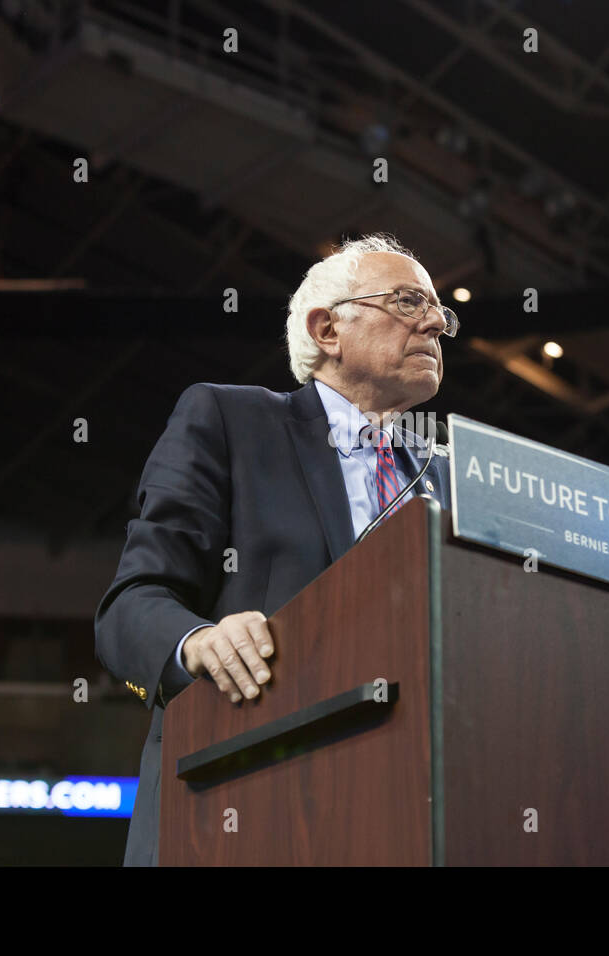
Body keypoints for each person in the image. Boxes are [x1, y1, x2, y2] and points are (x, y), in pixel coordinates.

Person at [94, 233, 455, 865]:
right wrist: (198, 642)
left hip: (408, 813)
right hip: (247, 807)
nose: (434, 322)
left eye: (438, 310)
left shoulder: (451, 476)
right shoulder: (231, 422)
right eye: (406, 301)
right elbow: (130, 607)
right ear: (327, 330)